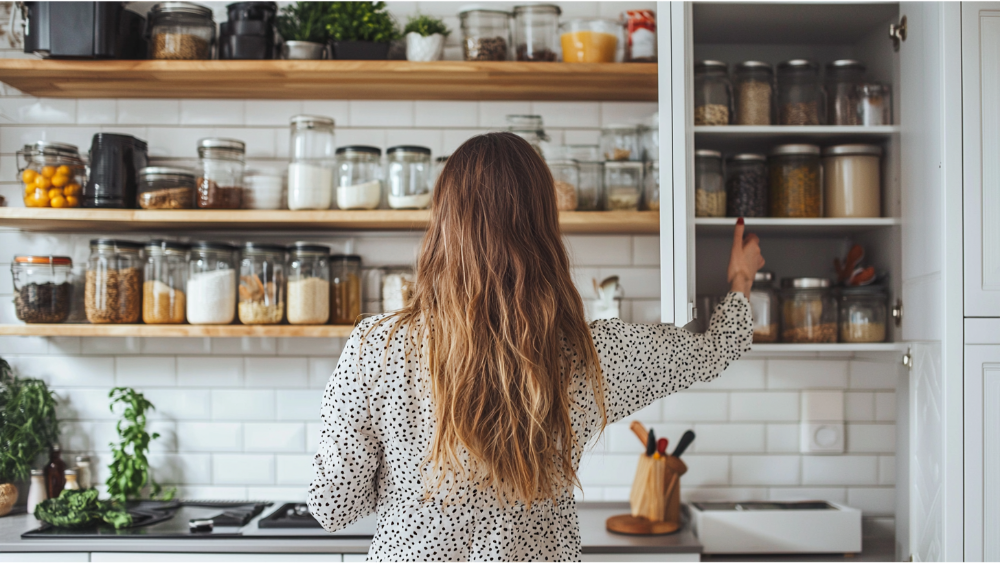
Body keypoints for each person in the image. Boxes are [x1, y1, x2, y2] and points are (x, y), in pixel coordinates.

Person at [308, 132, 764, 562]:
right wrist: (741, 280)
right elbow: (714, 350)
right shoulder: (592, 352)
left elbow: (333, 508)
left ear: (442, 225)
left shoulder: (377, 348)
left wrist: (409, 481)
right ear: (545, 227)